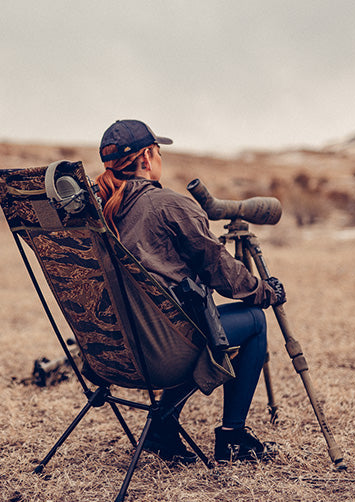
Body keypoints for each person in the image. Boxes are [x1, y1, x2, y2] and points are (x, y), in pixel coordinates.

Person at [95, 119, 286, 464]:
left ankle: (162, 427)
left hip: (113, 354)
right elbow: (219, 269)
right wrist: (263, 290)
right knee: (254, 321)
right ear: (148, 157)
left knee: (187, 327)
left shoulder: (96, 213)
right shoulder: (167, 205)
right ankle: (232, 437)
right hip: (161, 355)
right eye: (158, 152)